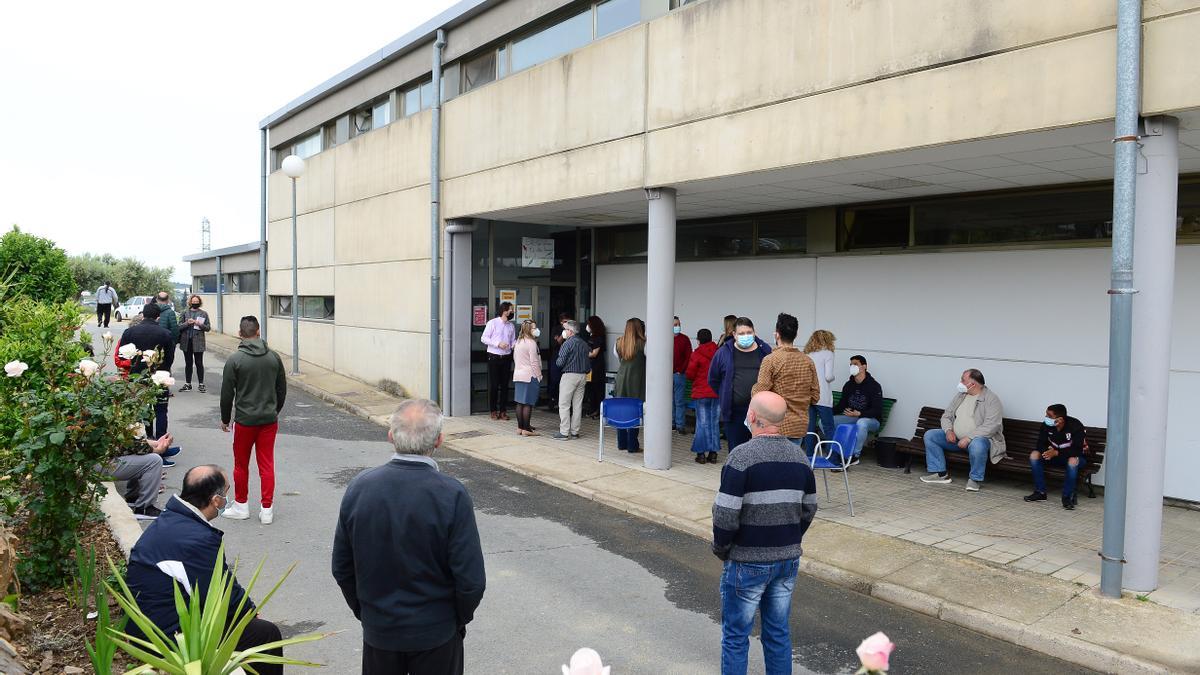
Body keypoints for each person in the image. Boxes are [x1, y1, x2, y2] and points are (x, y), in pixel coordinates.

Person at [333, 399, 486, 675]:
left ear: (391, 436)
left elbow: (342, 567)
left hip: (380, 630)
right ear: (439, 441)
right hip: (436, 632)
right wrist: (455, 620)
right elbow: (471, 581)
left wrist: (367, 613)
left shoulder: (360, 489)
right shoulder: (451, 495)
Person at [126, 465, 284, 675]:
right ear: (216, 500)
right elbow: (220, 589)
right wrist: (250, 613)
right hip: (169, 637)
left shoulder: (171, 519)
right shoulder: (197, 538)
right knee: (264, 633)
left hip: (145, 625)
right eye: (227, 492)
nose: (227, 499)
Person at [712, 391, 818, 675]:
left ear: (753, 416)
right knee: (777, 632)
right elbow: (809, 508)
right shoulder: (799, 457)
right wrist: (790, 537)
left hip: (747, 560)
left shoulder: (741, 457)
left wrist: (722, 548)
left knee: (736, 635)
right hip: (787, 560)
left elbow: (725, 514)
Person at [220, 316, 287, 524]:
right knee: (267, 464)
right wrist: (274, 410)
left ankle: (241, 506)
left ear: (240, 333)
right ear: (258, 331)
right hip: (269, 420)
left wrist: (225, 418)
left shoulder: (235, 360)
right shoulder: (274, 357)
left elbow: (226, 394)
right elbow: (281, 389)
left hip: (245, 421)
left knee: (241, 464)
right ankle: (266, 510)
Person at [921, 369, 1006, 491]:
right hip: (956, 440)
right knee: (931, 435)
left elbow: (992, 425)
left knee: (978, 444)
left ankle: (974, 480)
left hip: (977, 442)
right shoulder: (961, 395)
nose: (960, 382)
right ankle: (940, 474)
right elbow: (947, 415)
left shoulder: (992, 399)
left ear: (972, 384)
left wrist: (969, 437)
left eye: (963, 380)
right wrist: (948, 430)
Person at [753, 314, 820, 450]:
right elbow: (815, 396)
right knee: (790, 466)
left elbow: (759, 394)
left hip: (774, 425)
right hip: (799, 426)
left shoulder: (771, 360)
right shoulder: (808, 361)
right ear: (796, 334)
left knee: (772, 467)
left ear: (777, 335)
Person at [708, 317, 772, 454]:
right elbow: (713, 379)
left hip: (760, 413)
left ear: (754, 332)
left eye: (749, 332)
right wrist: (725, 394)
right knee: (737, 452)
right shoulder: (724, 352)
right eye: (741, 334)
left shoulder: (765, 351)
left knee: (758, 452)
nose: (745, 336)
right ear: (734, 335)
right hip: (734, 413)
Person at [118, 303, 174, 439]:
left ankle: (146, 437)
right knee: (161, 409)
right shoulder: (166, 333)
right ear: (158, 317)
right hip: (159, 375)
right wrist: (164, 369)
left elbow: (122, 354)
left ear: (143, 315)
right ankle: (161, 440)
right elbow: (170, 357)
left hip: (136, 375)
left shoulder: (130, 332)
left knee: (141, 408)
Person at [1024, 404, 1087, 510]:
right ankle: (1040, 492)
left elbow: (1077, 450)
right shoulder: (1046, 425)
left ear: (1060, 419)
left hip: (1074, 458)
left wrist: (1057, 453)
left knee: (1072, 461)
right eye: (1046, 415)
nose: (1046, 418)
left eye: (1049, 416)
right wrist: (1046, 452)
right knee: (1034, 455)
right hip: (1053, 456)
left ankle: (1067, 497)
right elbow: (1040, 443)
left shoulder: (1075, 426)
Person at [109, 432, 174, 520]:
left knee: (145, 455)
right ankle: (144, 508)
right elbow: (125, 442)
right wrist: (157, 449)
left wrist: (156, 443)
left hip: (102, 460)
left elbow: (127, 439)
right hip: (98, 464)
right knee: (154, 460)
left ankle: (133, 498)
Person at [831, 355, 884, 461]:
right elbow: (842, 405)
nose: (852, 367)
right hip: (853, 417)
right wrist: (827, 413)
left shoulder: (874, 386)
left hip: (871, 420)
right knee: (825, 422)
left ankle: (854, 455)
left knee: (862, 423)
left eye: (855, 364)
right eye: (851, 365)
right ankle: (840, 450)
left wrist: (860, 414)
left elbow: (877, 410)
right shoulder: (848, 385)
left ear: (864, 366)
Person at [685, 329, 720, 464]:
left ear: (698, 340)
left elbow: (690, 374)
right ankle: (713, 453)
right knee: (714, 423)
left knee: (702, 424)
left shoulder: (697, 354)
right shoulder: (719, 352)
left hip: (702, 394)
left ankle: (701, 455)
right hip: (716, 393)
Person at [613, 318, 646, 453]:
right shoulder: (643, 344)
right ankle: (633, 445)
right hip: (636, 381)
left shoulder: (618, 342)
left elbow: (617, 357)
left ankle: (622, 443)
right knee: (634, 412)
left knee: (621, 411)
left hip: (621, 379)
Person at [802, 329, 837, 453]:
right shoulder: (828, 353)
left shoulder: (806, 354)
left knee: (810, 428)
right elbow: (828, 376)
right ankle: (832, 458)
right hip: (823, 396)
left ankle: (809, 457)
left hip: (808, 395)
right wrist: (833, 377)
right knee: (829, 428)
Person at [555, 320, 590, 440]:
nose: (563, 332)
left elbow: (560, 362)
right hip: (582, 376)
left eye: (565, 329)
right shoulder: (584, 343)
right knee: (577, 405)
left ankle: (564, 432)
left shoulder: (567, 344)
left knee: (564, 404)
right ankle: (575, 432)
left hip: (569, 376)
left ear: (570, 331)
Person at [481, 302, 516, 420]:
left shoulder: (511, 326)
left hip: (506, 358)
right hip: (494, 357)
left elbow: (513, 341)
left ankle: (503, 411)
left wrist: (515, 345)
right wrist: (498, 344)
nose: (512, 312)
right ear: (504, 311)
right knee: (494, 385)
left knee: (505, 385)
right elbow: (484, 338)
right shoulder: (493, 323)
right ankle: (493, 410)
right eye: (511, 310)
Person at [511, 320, 542, 437]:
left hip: (518, 374)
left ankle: (520, 427)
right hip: (530, 375)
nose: (536, 330)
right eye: (534, 328)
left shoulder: (518, 342)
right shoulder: (531, 343)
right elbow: (534, 362)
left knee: (520, 402)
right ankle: (527, 429)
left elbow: (515, 358)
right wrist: (539, 375)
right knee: (528, 403)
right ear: (529, 329)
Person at [178, 294, 211, 393]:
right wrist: (187, 323)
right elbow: (179, 327)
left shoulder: (204, 313)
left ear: (199, 303)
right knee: (188, 363)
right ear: (190, 302)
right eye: (193, 302)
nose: (195, 303)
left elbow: (208, 328)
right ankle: (188, 383)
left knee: (199, 363)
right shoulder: (184, 312)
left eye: (197, 302)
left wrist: (199, 324)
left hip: (198, 342)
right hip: (186, 341)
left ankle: (201, 384)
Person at [547, 312, 573, 412]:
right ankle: (552, 399)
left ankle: (564, 401)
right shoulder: (556, 329)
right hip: (557, 356)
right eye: (564, 322)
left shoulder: (572, 330)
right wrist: (562, 335)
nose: (565, 324)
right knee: (555, 379)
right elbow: (555, 343)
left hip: (568, 358)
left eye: (567, 322)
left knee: (566, 381)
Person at [672, 316, 693, 435]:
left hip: (679, 374)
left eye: (678, 324)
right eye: (675, 325)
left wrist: (681, 369)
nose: (677, 327)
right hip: (666, 375)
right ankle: (671, 423)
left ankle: (680, 425)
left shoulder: (684, 339)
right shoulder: (664, 338)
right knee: (669, 401)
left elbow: (688, 356)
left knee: (679, 401)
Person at [583, 316, 607, 418]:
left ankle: (598, 411)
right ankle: (592, 409)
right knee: (590, 388)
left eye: (589, 324)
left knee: (597, 389)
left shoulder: (599, 338)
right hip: (589, 367)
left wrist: (583, 353)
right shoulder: (591, 337)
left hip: (597, 367)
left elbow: (594, 354)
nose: (587, 326)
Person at [155, 292, 179, 373]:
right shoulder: (170, 312)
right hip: (166, 344)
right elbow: (175, 330)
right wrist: (173, 343)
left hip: (153, 342)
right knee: (165, 367)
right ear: (168, 300)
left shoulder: (152, 310)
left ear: (157, 299)